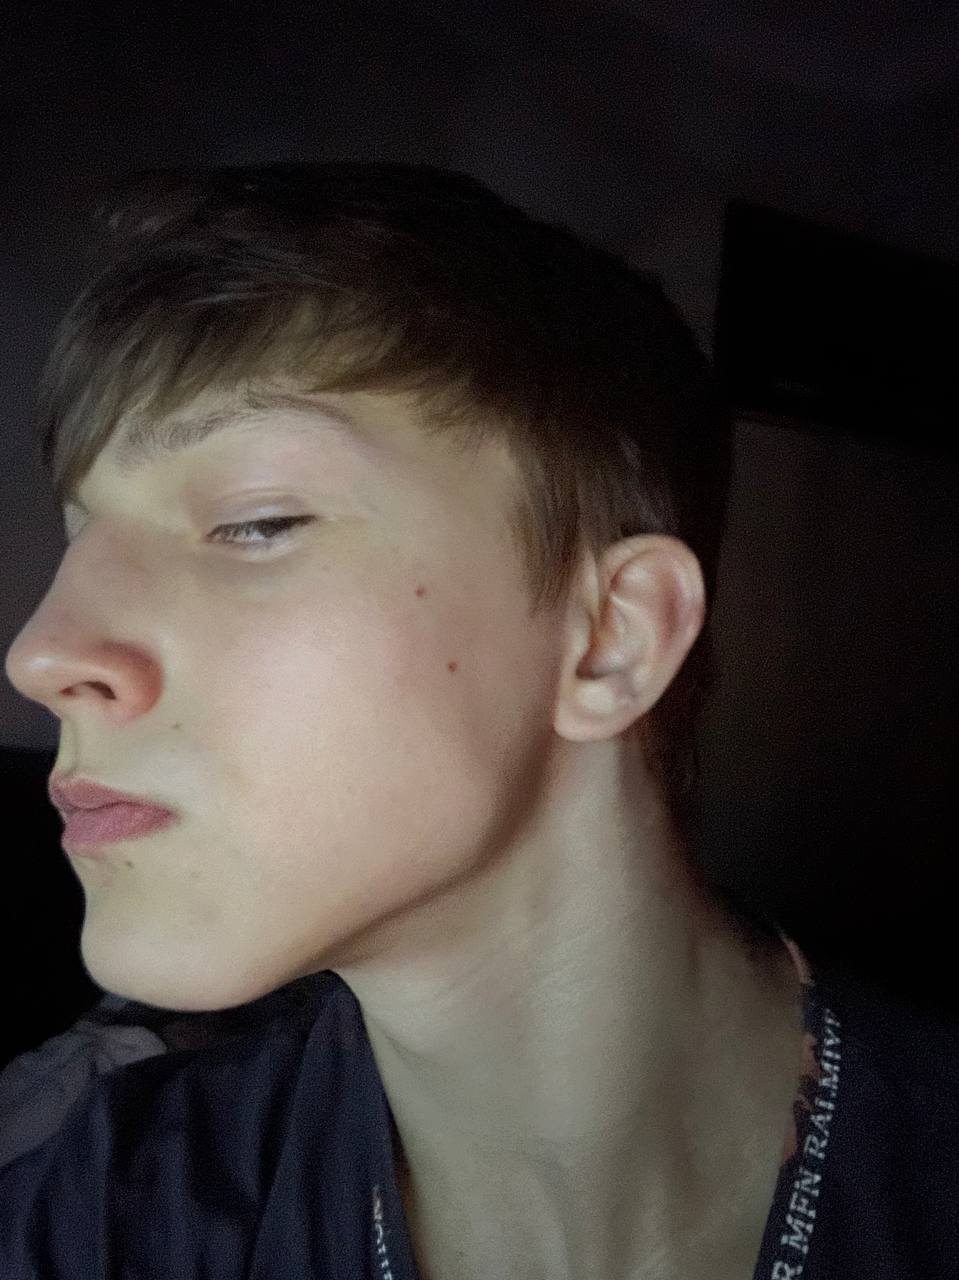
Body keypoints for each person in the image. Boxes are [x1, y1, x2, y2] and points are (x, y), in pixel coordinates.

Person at [1, 163, 955, 1280]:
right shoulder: (113, 1209)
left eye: (254, 521)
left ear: (612, 638)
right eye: (81, 538)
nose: (40, 653)